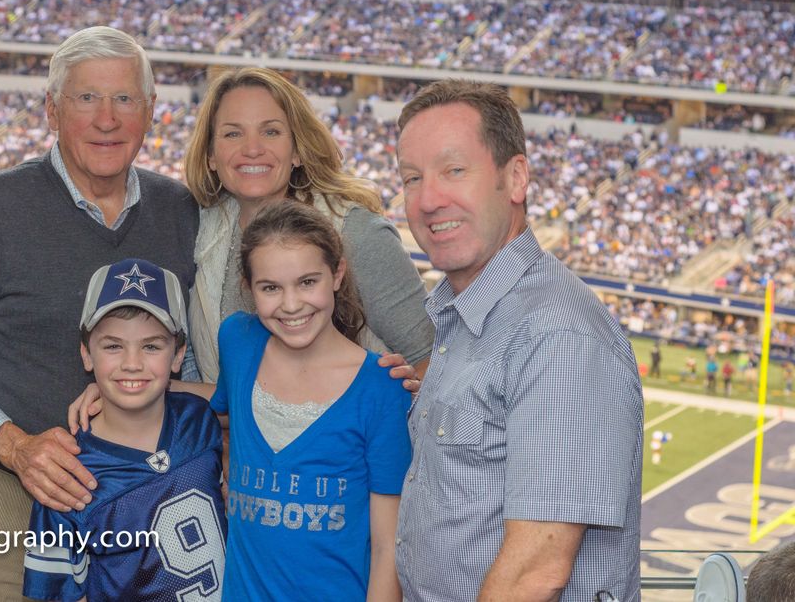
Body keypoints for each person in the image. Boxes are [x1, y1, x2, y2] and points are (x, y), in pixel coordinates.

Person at [0, 26, 199, 600]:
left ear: (151, 110)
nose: (107, 119)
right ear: (52, 111)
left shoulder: (181, 208)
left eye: (124, 98)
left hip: (154, 496)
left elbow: (197, 355)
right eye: (86, 98)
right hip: (15, 497)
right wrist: (15, 446)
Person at [394, 79, 643, 601]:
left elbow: (536, 573)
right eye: (412, 178)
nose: (428, 199)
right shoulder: (470, 314)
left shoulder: (558, 336)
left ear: (516, 178)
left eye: (454, 170)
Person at [182, 67, 433, 386]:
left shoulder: (354, 231)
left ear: (297, 150)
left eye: (271, 131)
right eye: (233, 134)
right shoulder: (197, 231)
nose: (252, 149)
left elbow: (432, 359)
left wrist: (368, 409)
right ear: (210, 155)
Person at [212, 200, 409, 600]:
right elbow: (220, 415)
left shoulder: (384, 388)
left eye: (307, 282)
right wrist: (114, 393)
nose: (291, 304)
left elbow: (388, 548)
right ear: (249, 288)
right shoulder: (237, 341)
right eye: (270, 287)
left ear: (337, 274)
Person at [23, 259, 226, 601]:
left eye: (151, 346)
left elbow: (252, 404)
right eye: (113, 346)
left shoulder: (198, 419)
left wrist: (156, 384)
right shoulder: (66, 477)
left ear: (179, 355)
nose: (132, 363)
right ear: (87, 354)